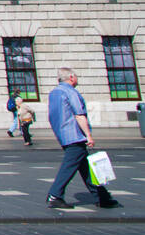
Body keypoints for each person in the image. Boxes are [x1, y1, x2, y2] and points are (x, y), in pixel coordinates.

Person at [46, 68, 119, 209]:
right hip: (75, 135)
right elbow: (79, 115)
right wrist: (88, 136)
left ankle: (102, 197)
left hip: (63, 134)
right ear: (71, 77)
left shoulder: (54, 93)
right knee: (69, 167)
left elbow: (52, 116)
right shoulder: (71, 92)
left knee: (85, 167)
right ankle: (55, 195)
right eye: (76, 77)